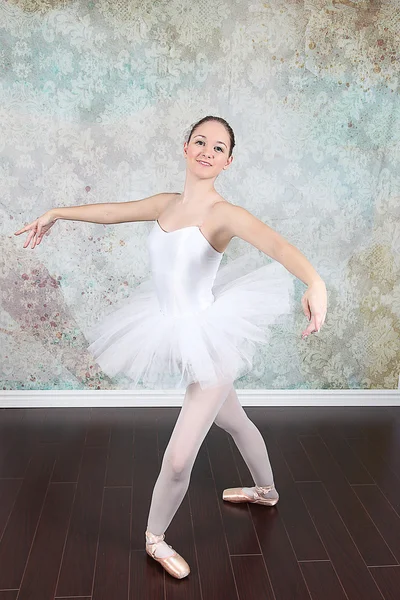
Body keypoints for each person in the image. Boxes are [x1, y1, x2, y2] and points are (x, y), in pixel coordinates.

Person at [14, 115, 327, 580]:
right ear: (185, 147)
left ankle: (154, 537)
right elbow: (109, 212)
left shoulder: (223, 214)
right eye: (200, 141)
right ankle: (267, 492)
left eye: (218, 147)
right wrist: (57, 213)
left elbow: (277, 245)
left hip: (211, 339)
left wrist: (315, 281)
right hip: (175, 334)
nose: (207, 150)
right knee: (236, 420)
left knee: (180, 456)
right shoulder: (165, 204)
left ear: (228, 161)